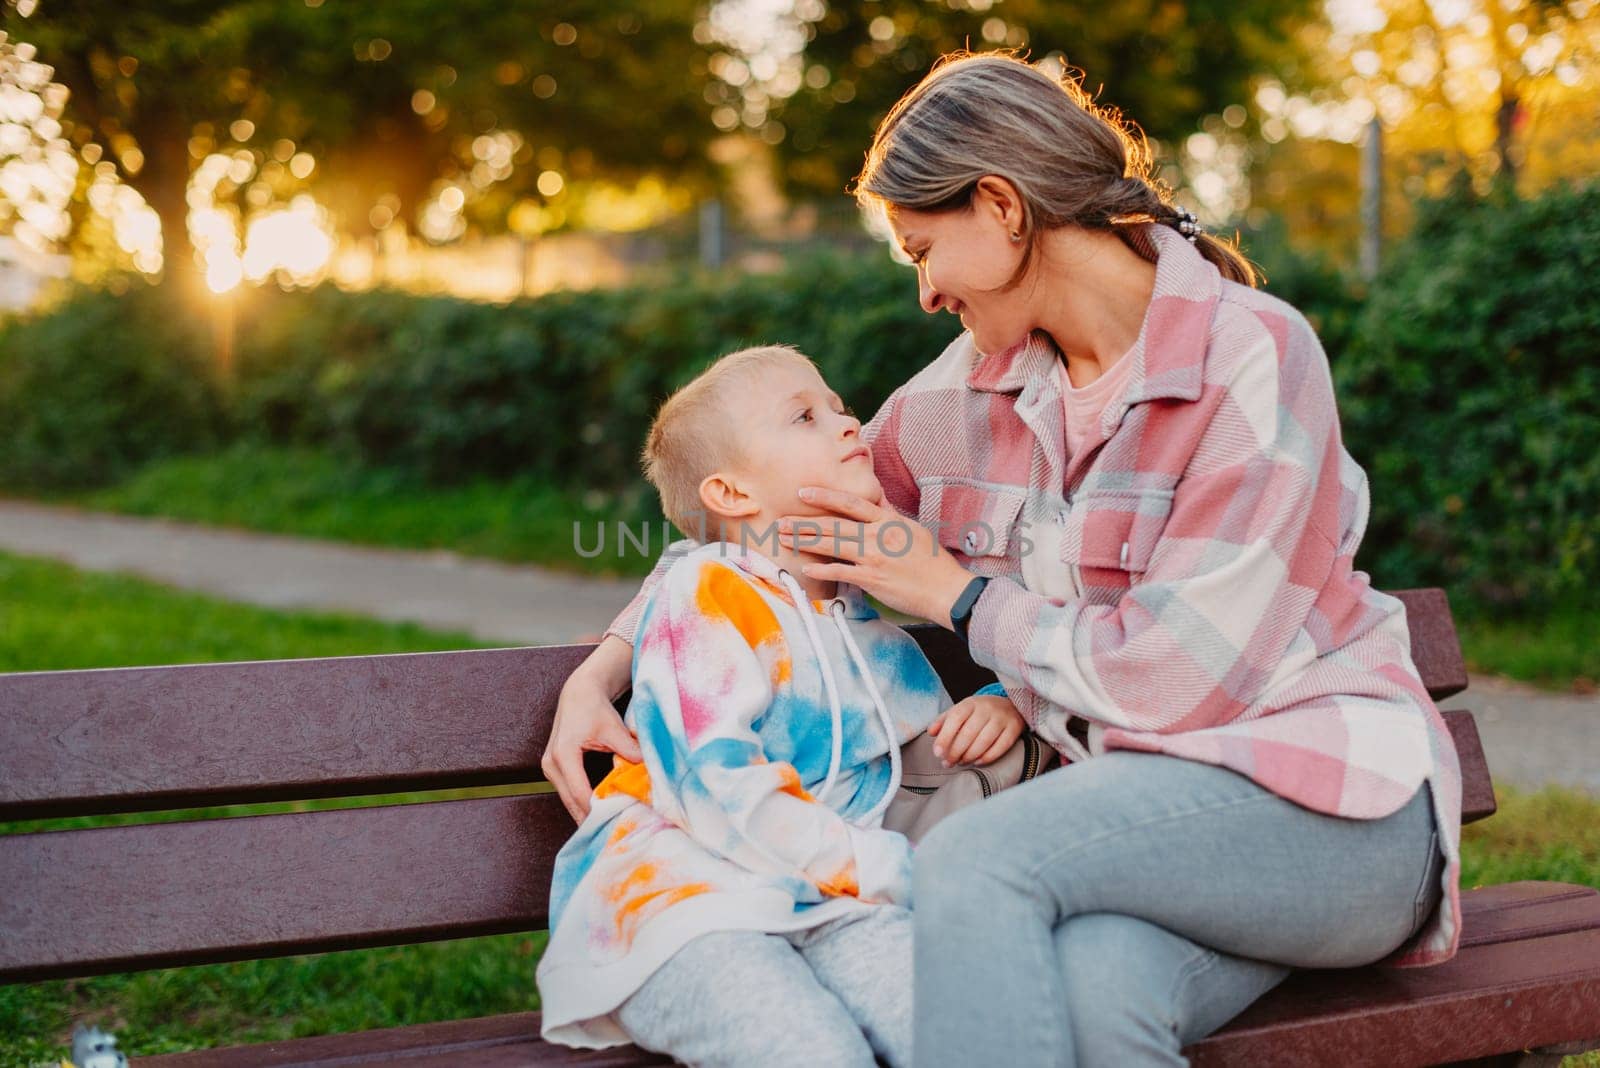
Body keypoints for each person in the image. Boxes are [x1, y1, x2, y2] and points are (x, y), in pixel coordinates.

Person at [546, 51, 1463, 1066]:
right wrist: (609, 662)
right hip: (1142, 837)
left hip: (1331, 811)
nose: (926, 292)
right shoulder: (964, 396)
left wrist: (957, 596)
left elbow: (1174, 680)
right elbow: (776, 532)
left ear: (1001, 207)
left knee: (976, 862)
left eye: (922, 249)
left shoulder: (1252, 356)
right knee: (1092, 1003)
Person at [537, 344, 1020, 1067]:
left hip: (831, 898)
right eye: (805, 415)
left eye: (839, 405)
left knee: (959, 1036)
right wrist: (892, 870)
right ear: (731, 495)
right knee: (811, 1053)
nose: (849, 422)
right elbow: (717, 786)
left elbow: (922, 757)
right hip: (683, 906)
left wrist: (1002, 700)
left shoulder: (865, 624)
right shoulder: (709, 594)